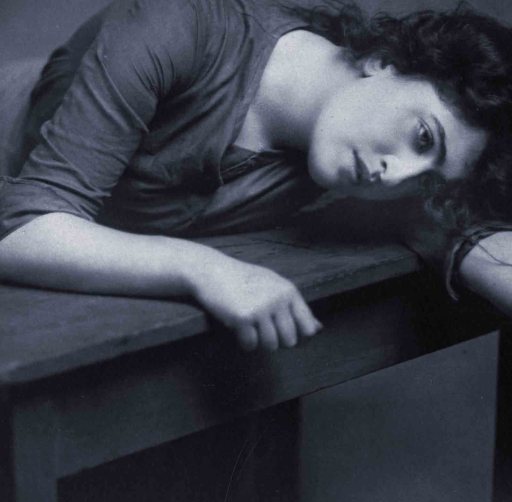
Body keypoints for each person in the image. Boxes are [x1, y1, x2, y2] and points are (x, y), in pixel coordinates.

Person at [1, 0, 512, 351]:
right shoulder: (179, 22)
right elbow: (21, 230)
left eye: (429, 178)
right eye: (422, 137)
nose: (395, 175)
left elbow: (467, 233)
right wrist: (207, 269)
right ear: (385, 61)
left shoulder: (357, 153)